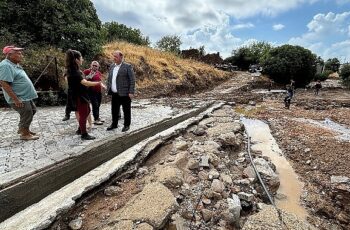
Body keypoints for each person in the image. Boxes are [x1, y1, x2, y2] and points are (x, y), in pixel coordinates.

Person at [0, 45, 39, 140]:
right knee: (27, 112)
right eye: (18, 54)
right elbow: (4, 83)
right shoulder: (6, 66)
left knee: (32, 110)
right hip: (19, 97)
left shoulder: (13, 64)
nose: (21, 55)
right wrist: (15, 99)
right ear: (10, 55)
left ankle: (23, 128)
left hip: (24, 96)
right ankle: (24, 134)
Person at [65, 49, 105, 140]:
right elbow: (85, 83)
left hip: (80, 95)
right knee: (84, 114)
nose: (82, 59)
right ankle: (84, 134)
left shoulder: (74, 70)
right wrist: (97, 83)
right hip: (80, 96)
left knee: (87, 111)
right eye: (81, 57)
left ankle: (80, 129)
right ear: (76, 60)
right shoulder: (75, 72)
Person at [106, 50, 135, 132]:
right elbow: (110, 79)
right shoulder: (112, 66)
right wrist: (108, 88)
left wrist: (131, 92)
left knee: (126, 110)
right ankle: (114, 124)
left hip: (125, 93)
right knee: (114, 110)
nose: (114, 58)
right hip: (114, 93)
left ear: (121, 57)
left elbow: (132, 80)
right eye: (113, 56)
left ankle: (126, 125)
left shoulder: (127, 66)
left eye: (116, 56)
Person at [83, 61, 104, 125]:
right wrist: (89, 76)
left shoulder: (99, 73)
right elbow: (83, 80)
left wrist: (103, 86)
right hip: (91, 91)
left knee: (98, 105)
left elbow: (100, 82)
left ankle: (97, 117)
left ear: (98, 67)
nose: (94, 67)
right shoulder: (86, 71)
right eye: (93, 65)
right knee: (95, 105)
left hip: (98, 92)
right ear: (91, 65)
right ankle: (96, 119)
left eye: (96, 66)